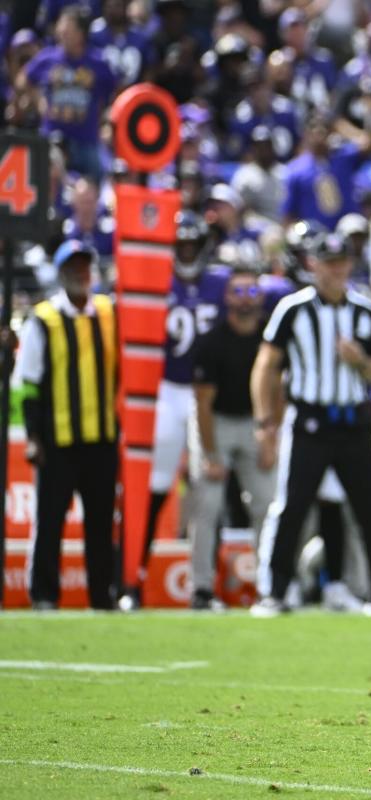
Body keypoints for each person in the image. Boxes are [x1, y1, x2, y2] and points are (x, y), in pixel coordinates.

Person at [250, 232, 371, 617]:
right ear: (313, 265)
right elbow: (266, 366)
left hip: (353, 422)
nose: (337, 269)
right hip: (309, 421)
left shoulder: (363, 310)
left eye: (342, 261)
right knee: (293, 507)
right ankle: (274, 591)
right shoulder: (293, 309)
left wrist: (360, 360)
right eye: (328, 262)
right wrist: (265, 422)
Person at [125, 211, 230, 609]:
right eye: (180, 244)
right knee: (153, 486)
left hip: (207, 393)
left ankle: (204, 587)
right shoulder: (157, 284)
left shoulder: (220, 283)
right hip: (167, 390)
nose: (186, 251)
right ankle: (132, 580)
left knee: (211, 491)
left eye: (192, 245)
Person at [15, 241, 118, 610]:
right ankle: (44, 595)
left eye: (85, 267)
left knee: (102, 524)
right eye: (73, 267)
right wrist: (33, 437)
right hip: (57, 440)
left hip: (102, 439)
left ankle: (101, 596)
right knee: (50, 521)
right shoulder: (43, 319)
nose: (81, 274)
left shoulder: (108, 312)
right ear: (60, 274)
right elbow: (27, 382)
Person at [188, 264, 274, 611]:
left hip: (257, 423)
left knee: (269, 505)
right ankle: (201, 589)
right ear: (226, 297)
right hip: (218, 423)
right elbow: (203, 404)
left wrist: (271, 435)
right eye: (238, 291)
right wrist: (209, 453)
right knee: (207, 506)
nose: (245, 300)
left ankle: (271, 587)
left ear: (261, 297)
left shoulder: (270, 338)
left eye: (252, 292)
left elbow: (277, 389)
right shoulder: (211, 342)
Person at [18, 6, 116, 177]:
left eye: (67, 28)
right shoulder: (48, 57)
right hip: (52, 140)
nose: (61, 32)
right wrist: (38, 99)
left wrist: (103, 121)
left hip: (87, 142)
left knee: (93, 190)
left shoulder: (99, 63)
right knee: (43, 189)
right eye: (61, 27)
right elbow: (23, 80)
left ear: (81, 34)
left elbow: (112, 93)